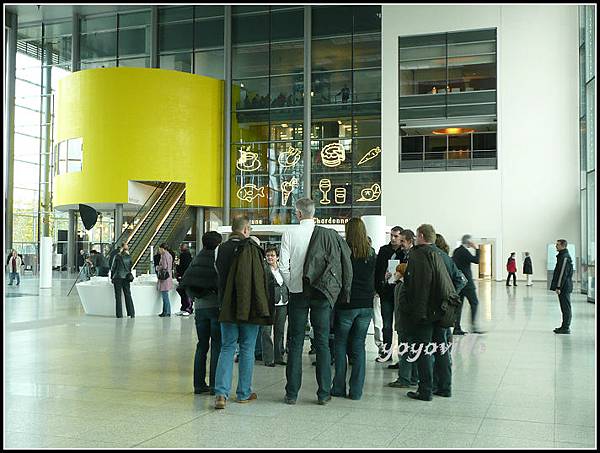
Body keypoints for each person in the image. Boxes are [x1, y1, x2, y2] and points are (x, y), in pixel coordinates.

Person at [280, 198, 352, 405]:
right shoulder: (328, 234)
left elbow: (284, 265)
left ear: (298, 213)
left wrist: (293, 284)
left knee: (295, 341)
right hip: (321, 292)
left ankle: (292, 393)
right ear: (313, 213)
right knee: (321, 342)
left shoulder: (290, 234)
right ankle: (323, 393)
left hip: (298, 292)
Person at [213, 216, 272, 409]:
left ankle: (221, 394)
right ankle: (243, 392)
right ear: (246, 230)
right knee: (247, 348)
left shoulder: (221, 249)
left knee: (227, 347)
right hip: (249, 308)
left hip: (227, 306)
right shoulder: (253, 249)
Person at [398, 224, 458, 401]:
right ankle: (445, 387)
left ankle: (425, 390)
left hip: (424, 313)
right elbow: (459, 279)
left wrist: (414, 312)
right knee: (441, 350)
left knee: (423, 351)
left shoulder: (418, 255)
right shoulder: (445, 257)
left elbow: (418, 287)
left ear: (422, 236)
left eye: (416, 236)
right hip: (441, 312)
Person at [331, 218, 375, 400]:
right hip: (366, 305)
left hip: (347, 305)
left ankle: (338, 387)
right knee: (358, 346)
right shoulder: (372, 253)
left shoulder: (344, 251)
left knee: (340, 345)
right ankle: (356, 391)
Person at [181, 231, 223, 395]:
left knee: (202, 345)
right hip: (215, 307)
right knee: (217, 346)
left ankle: (198, 385)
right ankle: (214, 385)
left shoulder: (196, 259)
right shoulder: (216, 260)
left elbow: (186, 282)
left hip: (200, 309)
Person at [374, 225, 404, 362]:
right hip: (386, 292)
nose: (393, 238)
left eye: (396, 236)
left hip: (400, 293)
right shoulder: (384, 250)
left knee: (400, 325)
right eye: (391, 235)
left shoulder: (405, 253)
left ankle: (403, 355)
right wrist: (379, 287)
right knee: (386, 324)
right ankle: (386, 352)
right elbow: (378, 270)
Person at [388, 263, 419, 389]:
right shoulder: (406, 285)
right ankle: (413, 378)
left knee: (404, 351)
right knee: (413, 351)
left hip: (403, 324)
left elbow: (401, 307)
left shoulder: (402, 286)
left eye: (397, 272)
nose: (395, 273)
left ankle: (404, 378)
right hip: (408, 324)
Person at [260, 246, 289, 367]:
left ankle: (278, 356)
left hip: (282, 303)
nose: (270, 258)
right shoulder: (264, 269)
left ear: (277, 257)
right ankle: (268, 358)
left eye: (272, 255)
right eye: (268, 256)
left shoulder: (283, 269)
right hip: (268, 304)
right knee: (266, 331)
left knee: (280, 331)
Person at [452, 234, 484, 335]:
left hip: (459, 282)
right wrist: (477, 249)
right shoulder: (464, 251)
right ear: (468, 242)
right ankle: (473, 327)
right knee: (474, 303)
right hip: (467, 283)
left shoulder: (457, 251)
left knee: (459, 305)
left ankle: (457, 328)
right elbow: (476, 260)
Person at [550, 239, 573, 334]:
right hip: (564, 286)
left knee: (565, 307)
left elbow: (562, 273)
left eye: (558, 244)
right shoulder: (562, 256)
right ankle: (564, 326)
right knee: (564, 307)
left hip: (564, 287)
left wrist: (558, 287)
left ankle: (566, 327)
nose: (556, 246)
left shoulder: (564, 257)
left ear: (563, 246)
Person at [110, 243, 135, 318]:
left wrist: (112, 277)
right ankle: (131, 313)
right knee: (128, 295)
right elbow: (130, 267)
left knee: (118, 296)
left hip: (117, 277)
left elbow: (113, 267)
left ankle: (119, 314)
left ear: (121, 248)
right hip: (126, 278)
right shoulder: (129, 257)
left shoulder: (117, 256)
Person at [176, 243, 193, 316]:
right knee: (182, 291)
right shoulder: (187, 256)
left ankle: (188, 308)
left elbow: (183, 266)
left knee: (185, 292)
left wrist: (180, 274)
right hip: (185, 276)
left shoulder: (184, 256)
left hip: (184, 277)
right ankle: (184, 307)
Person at [157, 243, 174, 317]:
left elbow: (164, 266)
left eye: (160, 249)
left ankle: (166, 312)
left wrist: (158, 267)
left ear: (162, 248)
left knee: (165, 296)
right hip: (169, 276)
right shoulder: (169, 255)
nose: (159, 250)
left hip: (164, 278)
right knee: (166, 295)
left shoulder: (164, 255)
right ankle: (167, 311)